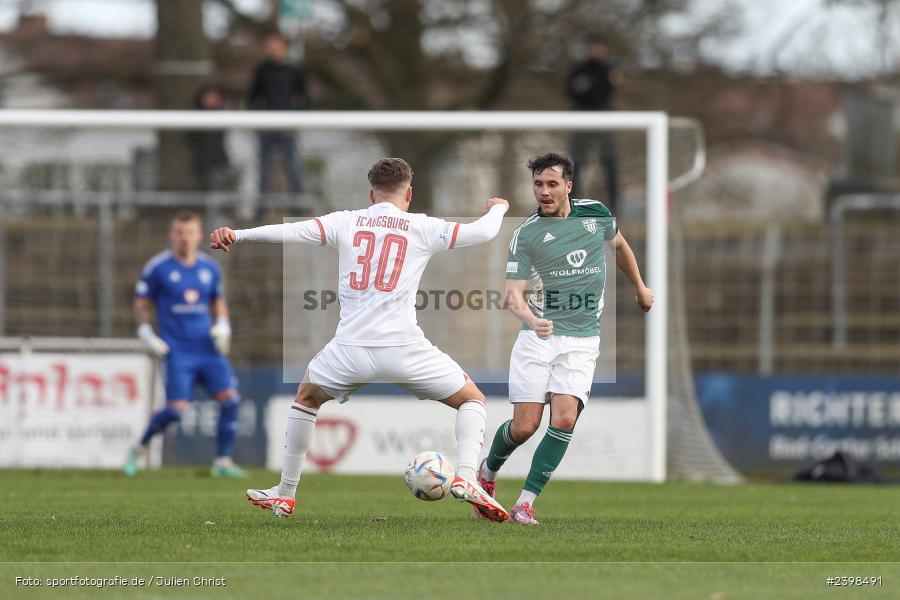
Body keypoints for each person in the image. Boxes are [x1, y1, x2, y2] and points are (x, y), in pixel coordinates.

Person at [209, 158, 510, 522]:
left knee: (306, 398)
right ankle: (465, 475)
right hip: (404, 347)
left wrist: (238, 235)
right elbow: (483, 232)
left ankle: (286, 494)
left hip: (349, 349)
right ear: (409, 193)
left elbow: (290, 232)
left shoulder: (345, 221)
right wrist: (498, 209)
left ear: (371, 194)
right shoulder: (422, 226)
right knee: (472, 400)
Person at [478, 153, 653, 525]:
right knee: (524, 426)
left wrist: (639, 287)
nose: (544, 191)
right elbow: (512, 296)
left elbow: (620, 246)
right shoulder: (526, 234)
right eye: (538, 184)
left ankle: (525, 502)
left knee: (564, 419)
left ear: (568, 186)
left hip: (582, 340)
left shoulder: (596, 214)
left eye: (552, 184)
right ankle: (487, 474)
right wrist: (532, 319)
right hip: (537, 339)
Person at [124, 211, 246, 478]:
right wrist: (145, 331)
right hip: (176, 350)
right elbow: (142, 303)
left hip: (207, 349)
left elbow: (217, 300)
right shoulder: (158, 268)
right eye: (180, 232)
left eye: (190, 232)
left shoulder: (209, 268)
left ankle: (222, 462)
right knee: (177, 411)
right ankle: (138, 447)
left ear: (199, 235)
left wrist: (223, 324)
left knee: (231, 401)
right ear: (172, 235)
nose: (185, 238)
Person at [566, 33, 622, 213]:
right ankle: (572, 203)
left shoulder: (609, 69)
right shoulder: (579, 69)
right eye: (592, 46)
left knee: (609, 161)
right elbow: (570, 90)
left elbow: (612, 89)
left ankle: (615, 206)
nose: (595, 50)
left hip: (604, 118)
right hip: (581, 118)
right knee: (577, 163)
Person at [247, 32, 308, 196]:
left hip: (288, 129)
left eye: (277, 46)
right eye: (270, 47)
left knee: (293, 168)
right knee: (263, 172)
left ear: (284, 48)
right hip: (266, 129)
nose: (274, 50)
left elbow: (303, 98)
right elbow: (253, 97)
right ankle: (261, 211)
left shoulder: (294, 70)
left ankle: (298, 208)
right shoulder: (262, 70)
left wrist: (296, 119)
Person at [185, 83, 233, 192]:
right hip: (204, 164)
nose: (212, 100)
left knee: (221, 193)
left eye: (215, 97)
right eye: (210, 97)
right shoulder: (195, 118)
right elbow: (191, 139)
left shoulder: (223, 116)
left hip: (221, 162)